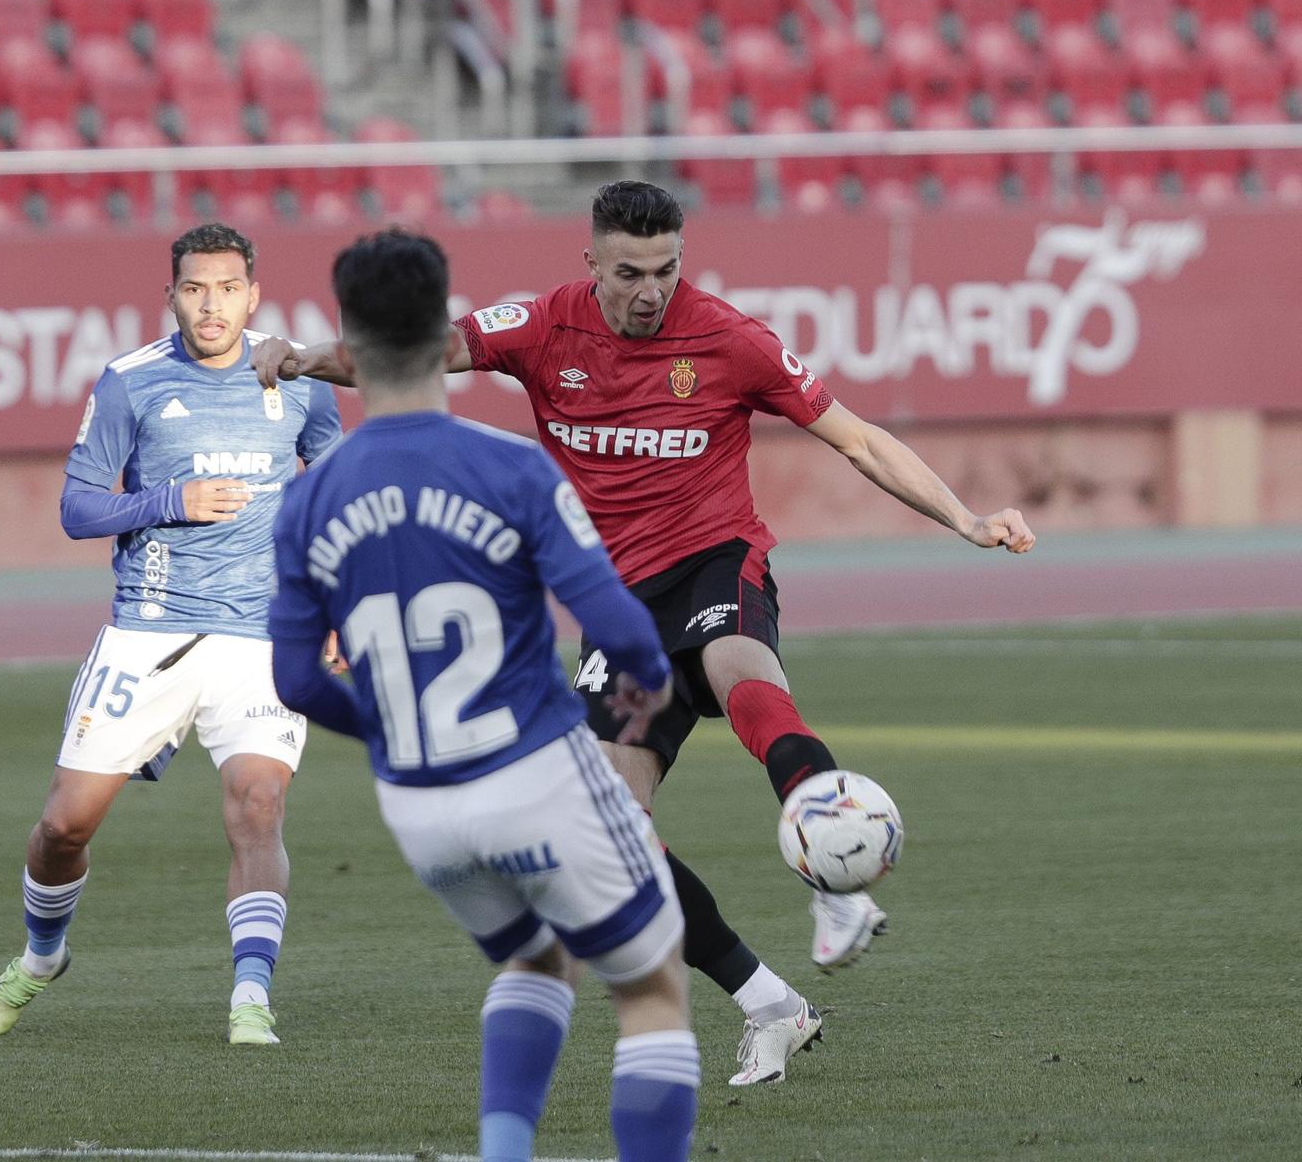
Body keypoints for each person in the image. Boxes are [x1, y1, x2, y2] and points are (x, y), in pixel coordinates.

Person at [254, 180, 1034, 1079]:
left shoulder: (732, 339)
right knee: (621, 837)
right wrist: (307, 358)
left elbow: (857, 441)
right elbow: (414, 352)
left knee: (741, 668)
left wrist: (966, 518)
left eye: (664, 270)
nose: (648, 290)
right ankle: (770, 1003)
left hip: (714, 560)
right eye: (628, 272)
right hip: (616, 609)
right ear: (591, 262)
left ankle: (833, 870)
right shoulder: (546, 326)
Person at [268, 229, 697, 1162]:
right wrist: (651, 686)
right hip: (535, 768)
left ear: (347, 341)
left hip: (422, 807)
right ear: (442, 327)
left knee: (535, 957)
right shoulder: (510, 468)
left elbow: (297, 681)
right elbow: (620, 630)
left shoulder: (306, 501)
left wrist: (391, 731)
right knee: (653, 986)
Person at [0, 223, 341, 1047]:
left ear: (254, 292)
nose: (212, 305)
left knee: (259, 804)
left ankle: (250, 997)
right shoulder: (131, 383)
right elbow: (77, 507)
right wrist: (169, 499)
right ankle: (40, 956)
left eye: (229, 288)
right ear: (169, 294)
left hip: (262, 636)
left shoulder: (302, 381)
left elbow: (341, 493)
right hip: (151, 630)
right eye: (195, 288)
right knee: (66, 825)